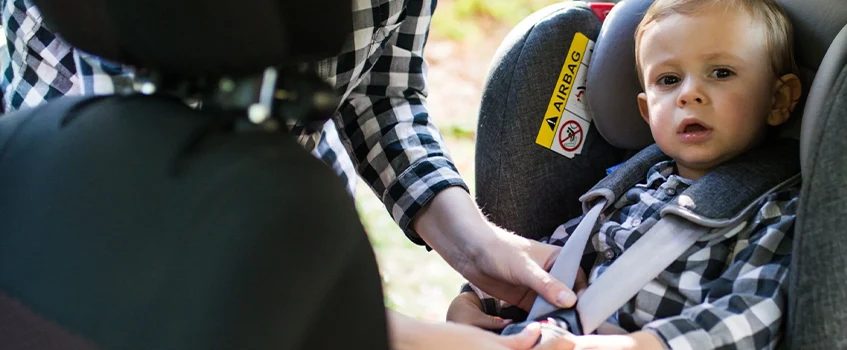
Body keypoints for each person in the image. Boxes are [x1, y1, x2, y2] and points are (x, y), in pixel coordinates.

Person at [0, 0, 576, 348]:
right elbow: (142, 208)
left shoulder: (299, 214)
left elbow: (382, 88)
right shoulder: (99, 128)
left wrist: (477, 246)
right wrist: (395, 337)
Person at [448, 0, 805, 349]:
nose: (689, 94)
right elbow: (560, 254)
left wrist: (638, 345)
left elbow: (753, 313)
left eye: (721, 73)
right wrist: (475, 299)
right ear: (647, 112)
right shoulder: (633, 185)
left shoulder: (775, 210)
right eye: (669, 79)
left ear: (778, 99)